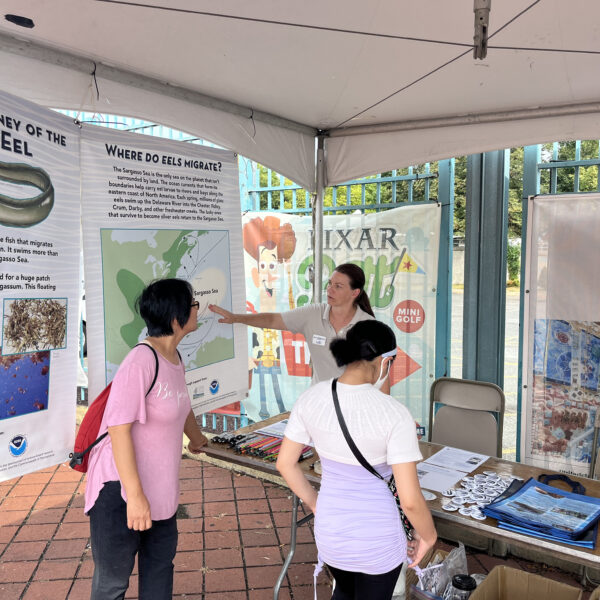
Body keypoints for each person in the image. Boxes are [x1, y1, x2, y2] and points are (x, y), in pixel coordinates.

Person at [276, 320, 437, 600]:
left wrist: (315, 503)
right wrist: (429, 536)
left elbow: (285, 464)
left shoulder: (311, 398)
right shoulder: (394, 413)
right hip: (377, 540)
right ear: (384, 361)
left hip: (331, 531)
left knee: (344, 592)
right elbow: (410, 500)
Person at [84, 278, 209, 600]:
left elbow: (180, 404)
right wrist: (135, 497)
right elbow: (118, 428)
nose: (198, 308)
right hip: (120, 491)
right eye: (192, 304)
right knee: (113, 584)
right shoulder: (141, 361)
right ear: (175, 317)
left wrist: (198, 439)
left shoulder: (175, 358)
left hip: (161, 491)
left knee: (158, 573)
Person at [209, 262, 379, 386]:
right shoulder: (313, 313)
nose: (329, 290)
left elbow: (378, 375)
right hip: (319, 404)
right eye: (329, 284)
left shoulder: (369, 327)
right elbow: (273, 320)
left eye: (338, 286)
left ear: (355, 293)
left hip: (354, 407)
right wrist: (236, 318)